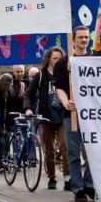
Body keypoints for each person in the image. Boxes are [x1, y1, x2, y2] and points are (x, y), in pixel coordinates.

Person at [53, 25, 95, 202]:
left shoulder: (95, 59)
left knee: (94, 151)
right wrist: (65, 102)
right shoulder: (63, 63)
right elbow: (59, 87)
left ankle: (90, 185)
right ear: (73, 40)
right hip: (71, 113)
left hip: (92, 113)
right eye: (81, 37)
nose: (84, 40)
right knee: (73, 152)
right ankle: (77, 187)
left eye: (86, 37)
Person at [25, 46, 69, 191]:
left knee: (65, 147)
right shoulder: (42, 75)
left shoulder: (66, 74)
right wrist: (29, 108)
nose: (57, 61)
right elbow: (29, 93)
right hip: (46, 117)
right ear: (49, 60)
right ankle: (52, 177)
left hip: (63, 116)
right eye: (54, 58)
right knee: (49, 149)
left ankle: (68, 178)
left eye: (60, 58)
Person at [0, 70, 25, 174]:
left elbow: (17, 103)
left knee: (6, 141)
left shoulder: (10, 92)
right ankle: (0, 164)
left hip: (8, 120)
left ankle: (5, 161)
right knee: (1, 141)